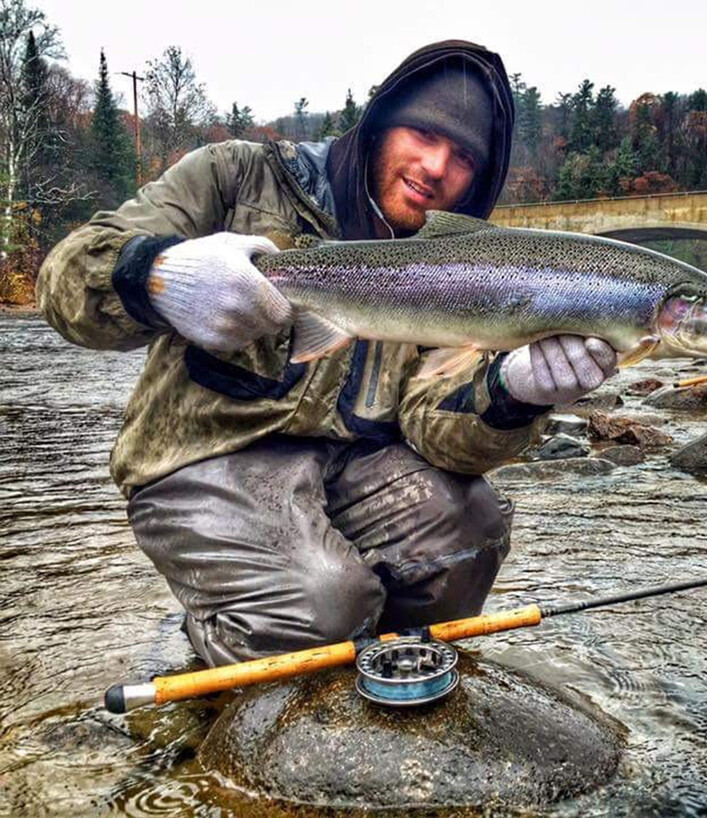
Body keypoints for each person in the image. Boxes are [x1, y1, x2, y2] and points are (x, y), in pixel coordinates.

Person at [36, 40, 617, 666]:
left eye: (463, 157)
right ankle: (227, 652)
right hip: (196, 462)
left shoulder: (457, 270)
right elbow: (64, 279)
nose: (435, 165)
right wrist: (154, 276)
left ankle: (377, 667)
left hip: (349, 470)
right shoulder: (236, 175)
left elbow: (436, 430)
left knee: (471, 530)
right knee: (325, 600)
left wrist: (512, 392)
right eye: (423, 133)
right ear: (379, 124)